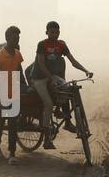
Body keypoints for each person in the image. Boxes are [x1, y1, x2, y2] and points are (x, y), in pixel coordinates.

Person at [31, 21, 93, 150]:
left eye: (57, 32)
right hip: (39, 78)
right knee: (48, 104)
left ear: (59, 32)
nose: (54, 34)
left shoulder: (61, 45)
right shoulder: (42, 44)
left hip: (53, 77)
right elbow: (41, 64)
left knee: (67, 88)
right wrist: (51, 78)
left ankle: (68, 121)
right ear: (46, 32)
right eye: (52, 32)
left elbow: (73, 61)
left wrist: (86, 70)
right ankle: (47, 139)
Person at [0, 26, 25, 165]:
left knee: (12, 124)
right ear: (7, 38)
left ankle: (12, 153)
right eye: (14, 37)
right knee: (0, 121)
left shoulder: (18, 54)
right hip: (1, 94)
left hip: (14, 94)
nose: (16, 39)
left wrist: (25, 86)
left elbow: (19, 72)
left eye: (18, 37)